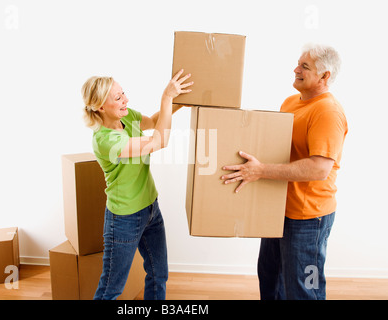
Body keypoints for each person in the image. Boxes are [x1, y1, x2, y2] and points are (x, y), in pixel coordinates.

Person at [221, 44, 348, 300]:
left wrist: (261, 171)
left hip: (308, 218)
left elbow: (319, 168)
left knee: (304, 288)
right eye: (298, 63)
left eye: (305, 66)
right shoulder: (290, 102)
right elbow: (277, 148)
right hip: (278, 210)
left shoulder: (327, 112)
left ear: (325, 76)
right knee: (270, 279)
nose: (295, 69)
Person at [81, 69, 193, 300]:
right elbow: (159, 141)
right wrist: (166, 97)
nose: (126, 100)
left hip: (151, 208)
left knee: (158, 274)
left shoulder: (126, 116)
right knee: (110, 289)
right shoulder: (105, 141)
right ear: (101, 106)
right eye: (118, 98)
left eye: (124, 94)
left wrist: (180, 102)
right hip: (124, 219)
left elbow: (153, 121)